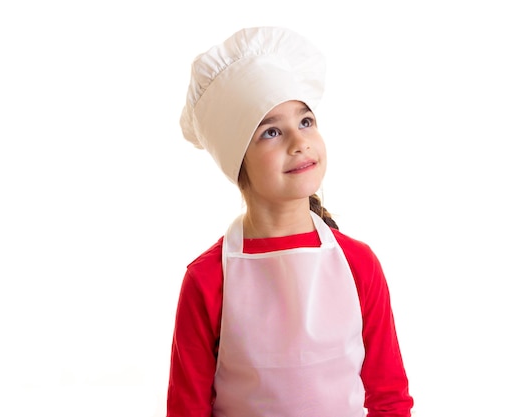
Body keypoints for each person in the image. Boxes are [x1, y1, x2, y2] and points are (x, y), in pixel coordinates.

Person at [167, 26, 414, 417]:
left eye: (305, 122)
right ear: (237, 161)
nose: (298, 142)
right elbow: (187, 408)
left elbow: (388, 397)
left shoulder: (358, 264)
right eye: (270, 132)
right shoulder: (208, 279)